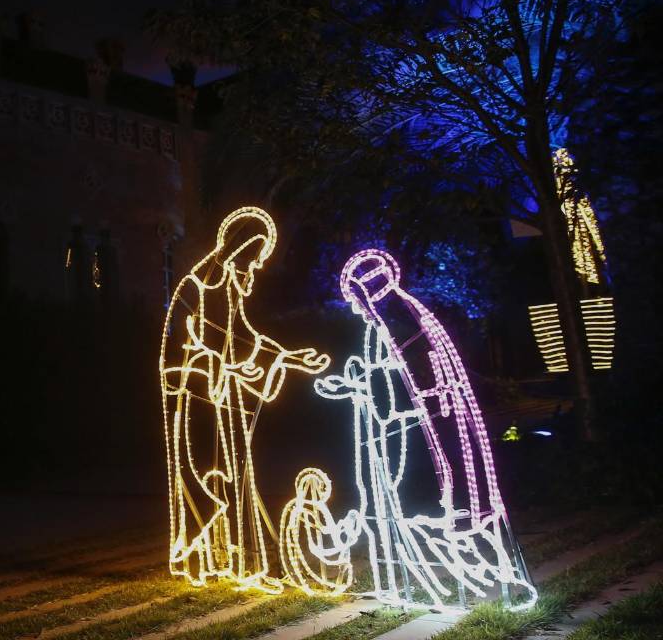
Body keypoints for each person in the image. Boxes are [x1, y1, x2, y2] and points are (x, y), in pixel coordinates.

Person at [318, 249, 537, 609]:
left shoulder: (400, 321)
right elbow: (389, 380)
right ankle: (470, 576)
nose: (355, 308)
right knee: (440, 516)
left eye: (356, 298)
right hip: (423, 431)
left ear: (369, 290)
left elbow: (408, 385)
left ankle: (493, 577)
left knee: (449, 514)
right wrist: (357, 387)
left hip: (436, 433)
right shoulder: (392, 319)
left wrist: (358, 388)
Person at [160, 206, 330, 591]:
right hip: (196, 398)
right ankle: (200, 562)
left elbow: (244, 337)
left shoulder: (227, 288)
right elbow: (214, 337)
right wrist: (248, 361)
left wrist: (288, 357)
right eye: (253, 258)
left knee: (235, 476)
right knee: (204, 475)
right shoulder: (200, 286)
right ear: (238, 249)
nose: (254, 268)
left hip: (222, 396)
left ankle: (237, 563)